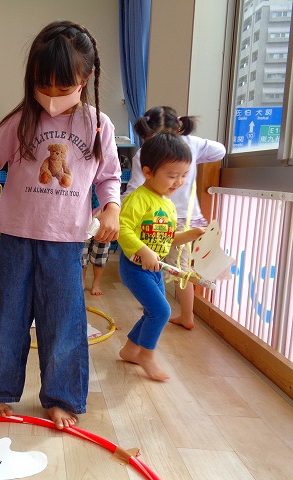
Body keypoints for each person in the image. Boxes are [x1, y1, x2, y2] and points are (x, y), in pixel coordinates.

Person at [0, 20, 121, 429]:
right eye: (43, 85)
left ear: (86, 77)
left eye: (63, 86)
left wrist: (111, 208)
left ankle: (62, 396)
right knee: (7, 316)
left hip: (66, 239)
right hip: (17, 233)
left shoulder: (98, 125)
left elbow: (108, 176)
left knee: (63, 321)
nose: (52, 96)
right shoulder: (23, 119)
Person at [122, 106, 226, 329]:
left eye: (184, 175)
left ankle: (184, 315)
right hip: (166, 219)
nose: (178, 181)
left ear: (178, 130)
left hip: (177, 221)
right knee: (161, 265)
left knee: (179, 271)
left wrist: (189, 144)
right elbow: (135, 190)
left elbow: (221, 151)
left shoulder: (186, 147)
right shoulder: (185, 148)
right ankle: (158, 306)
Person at [118, 132, 205, 381]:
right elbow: (122, 229)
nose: (179, 182)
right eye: (172, 175)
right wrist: (143, 250)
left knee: (152, 311)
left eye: (184, 175)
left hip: (154, 268)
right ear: (148, 172)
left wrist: (190, 235)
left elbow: (166, 240)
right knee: (162, 311)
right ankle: (146, 355)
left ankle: (130, 350)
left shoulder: (167, 204)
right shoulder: (138, 199)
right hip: (135, 267)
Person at [82, 185, 111, 296]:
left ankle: (96, 283)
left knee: (100, 255)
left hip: (103, 219)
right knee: (82, 253)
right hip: (84, 218)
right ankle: (82, 280)